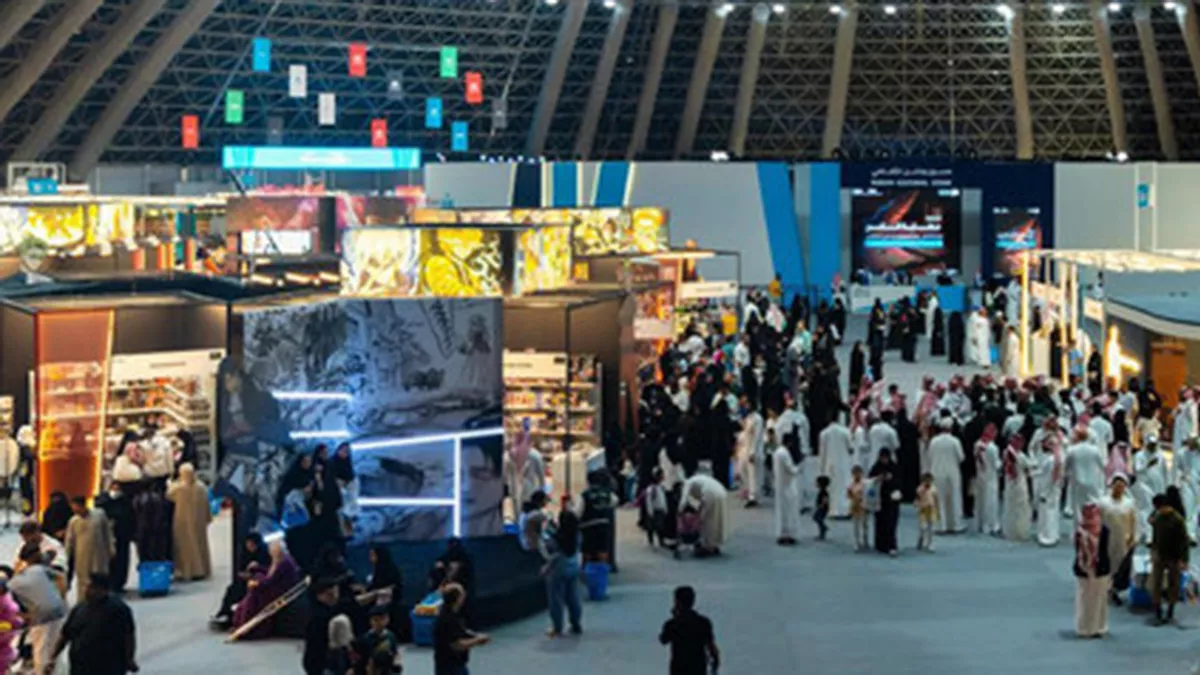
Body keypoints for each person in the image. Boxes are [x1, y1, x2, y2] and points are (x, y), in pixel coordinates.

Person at [46, 573, 136, 675]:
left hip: (109, 666)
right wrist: (52, 657)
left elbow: (128, 635)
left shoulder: (118, 609)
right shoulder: (79, 608)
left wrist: (129, 659)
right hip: (80, 666)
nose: (86, 590)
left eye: (91, 587)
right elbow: (65, 635)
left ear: (103, 590)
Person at [11, 544, 66, 674]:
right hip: (59, 610)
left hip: (41, 616)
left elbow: (13, 609)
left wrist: (27, 616)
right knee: (54, 649)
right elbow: (60, 577)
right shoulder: (39, 569)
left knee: (41, 652)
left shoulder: (12, 584)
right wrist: (59, 596)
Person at [232, 540, 302, 640]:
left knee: (254, 594)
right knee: (252, 591)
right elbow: (270, 575)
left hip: (279, 591)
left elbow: (270, 580)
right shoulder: (280, 560)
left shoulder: (283, 563)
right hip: (276, 587)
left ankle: (249, 627)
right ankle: (241, 623)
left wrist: (256, 582)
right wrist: (258, 570)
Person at [211, 533, 270, 628]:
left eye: (252, 545)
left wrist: (258, 567)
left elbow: (267, 571)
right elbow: (240, 569)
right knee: (232, 589)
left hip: (258, 581)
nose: (249, 547)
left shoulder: (264, 553)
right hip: (245, 580)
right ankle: (225, 613)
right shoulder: (244, 553)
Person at [166, 463, 213, 581]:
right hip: (199, 522)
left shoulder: (179, 488)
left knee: (184, 548)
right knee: (200, 544)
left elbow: (168, 495)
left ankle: (186, 571)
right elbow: (207, 505)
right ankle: (202, 569)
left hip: (182, 522)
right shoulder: (201, 487)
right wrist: (208, 517)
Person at [659, 585, 719, 675]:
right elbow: (710, 645)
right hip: (698, 667)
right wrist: (715, 661)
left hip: (679, 668)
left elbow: (663, 640)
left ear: (677, 601)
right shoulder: (703, 622)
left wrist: (676, 618)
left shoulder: (672, 624)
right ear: (693, 601)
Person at [64, 496, 114, 601]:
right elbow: (69, 542)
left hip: (100, 554)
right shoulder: (73, 521)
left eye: (76, 507)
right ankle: (83, 602)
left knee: (101, 578)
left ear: (83, 505)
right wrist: (66, 557)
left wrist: (111, 548)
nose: (75, 510)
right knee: (83, 581)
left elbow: (107, 532)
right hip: (82, 556)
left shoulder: (99, 515)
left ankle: (103, 600)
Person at [1149, 494, 1189, 626]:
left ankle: (1170, 610)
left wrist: (1184, 560)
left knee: (1174, 585)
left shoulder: (1178, 520)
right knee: (1156, 584)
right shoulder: (1158, 517)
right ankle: (1158, 610)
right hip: (1159, 556)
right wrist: (1153, 552)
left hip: (1174, 557)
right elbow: (1155, 536)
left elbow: (1184, 541)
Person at [1074, 503, 1111, 638]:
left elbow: (1106, 550)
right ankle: (1084, 628)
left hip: (1100, 569)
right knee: (1085, 599)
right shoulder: (1080, 531)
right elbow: (1077, 551)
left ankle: (1099, 627)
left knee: (1100, 599)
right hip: (1084, 569)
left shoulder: (1104, 530)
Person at [543, 509, 582, 637]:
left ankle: (557, 627)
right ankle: (576, 623)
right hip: (574, 566)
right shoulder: (577, 535)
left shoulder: (557, 536)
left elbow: (552, 552)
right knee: (573, 597)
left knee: (556, 599)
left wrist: (546, 567)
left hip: (558, 569)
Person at [434, 583, 488, 675]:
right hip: (451, 667)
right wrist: (477, 640)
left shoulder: (452, 614)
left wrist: (473, 635)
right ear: (457, 598)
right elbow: (457, 645)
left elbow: (461, 631)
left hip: (454, 665)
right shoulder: (448, 619)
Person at [1099, 474, 1137, 605]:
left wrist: (1133, 537)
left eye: (1122, 485)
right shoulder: (1103, 502)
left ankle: (1115, 589)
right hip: (1107, 539)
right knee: (1107, 563)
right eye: (1116, 485)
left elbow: (1133, 521)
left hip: (1123, 539)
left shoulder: (1129, 504)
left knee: (1121, 565)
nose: (1119, 488)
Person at [93, 483, 135, 594]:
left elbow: (130, 517)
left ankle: (119, 583)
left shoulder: (125, 501)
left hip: (122, 536)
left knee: (121, 560)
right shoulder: (102, 501)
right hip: (107, 537)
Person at [927, 418, 965, 534]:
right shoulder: (955, 441)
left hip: (937, 472)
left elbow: (929, 456)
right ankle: (955, 524)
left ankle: (939, 525)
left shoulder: (934, 441)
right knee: (954, 498)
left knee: (939, 499)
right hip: (952, 472)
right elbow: (961, 457)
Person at [679, 472, 729, 557]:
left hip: (710, 494)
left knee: (706, 521)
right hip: (721, 492)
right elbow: (701, 501)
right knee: (717, 518)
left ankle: (707, 546)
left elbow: (684, 500)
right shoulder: (698, 478)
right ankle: (714, 544)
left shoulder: (687, 484)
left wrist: (679, 513)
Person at [1065, 425, 1107, 522]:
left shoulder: (1072, 450)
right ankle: (1094, 525)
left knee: (1077, 506)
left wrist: (1065, 476)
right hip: (1093, 480)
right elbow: (1103, 465)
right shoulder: (1095, 450)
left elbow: (1066, 467)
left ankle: (1079, 529)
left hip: (1077, 481)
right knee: (1094, 503)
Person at [303, 577, 343, 675]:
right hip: (319, 661)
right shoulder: (319, 616)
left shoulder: (328, 609)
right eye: (330, 595)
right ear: (319, 596)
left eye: (336, 593)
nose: (335, 597)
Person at [366, 545, 405, 642]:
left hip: (389, 600)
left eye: (373, 555)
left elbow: (394, 586)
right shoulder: (377, 569)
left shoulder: (390, 569)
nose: (370, 558)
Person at [818, 414, 854, 518]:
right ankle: (845, 510)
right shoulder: (845, 431)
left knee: (832, 488)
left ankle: (833, 510)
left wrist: (821, 469)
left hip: (830, 465)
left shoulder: (824, 433)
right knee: (844, 486)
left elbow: (822, 452)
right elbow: (851, 448)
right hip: (843, 464)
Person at [771, 429, 802, 545]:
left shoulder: (777, 452)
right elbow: (792, 470)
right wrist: (800, 467)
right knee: (790, 511)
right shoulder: (785, 454)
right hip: (788, 485)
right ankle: (789, 534)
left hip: (779, 484)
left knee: (781, 511)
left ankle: (781, 533)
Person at [1132, 434, 1168, 537]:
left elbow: (1164, 472)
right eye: (1150, 444)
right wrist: (1148, 464)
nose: (1152, 447)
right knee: (1146, 508)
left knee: (1157, 510)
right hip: (1144, 486)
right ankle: (1148, 534)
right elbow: (1138, 470)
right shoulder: (1139, 455)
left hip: (1158, 486)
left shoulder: (1160, 456)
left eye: (1154, 444)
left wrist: (1165, 487)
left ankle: (1156, 533)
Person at [1032, 433, 1064, 547]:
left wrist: (1048, 489)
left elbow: (1053, 475)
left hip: (1048, 487)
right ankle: (1052, 534)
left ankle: (1047, 536)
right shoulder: (1055, 457)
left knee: (1047, 511)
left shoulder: (1052, 459)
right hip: (1052, 487)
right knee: (1052, 510)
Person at [869, 449, 901, 556]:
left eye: (885, 458)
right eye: (882, 458)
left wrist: (891, 480)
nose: (884, 460)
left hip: (892, 499)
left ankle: (892, 545)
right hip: (880, 499)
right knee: (880, 522)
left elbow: (900, 481)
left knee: (891, 523)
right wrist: (878, 479)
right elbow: (869, 481)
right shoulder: (876, 467)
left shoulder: (894, 467)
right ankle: (880, 544)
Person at [1002, 434, 1033, 541]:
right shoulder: (1021, 456)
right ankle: (1020, 531)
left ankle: (1010, 530)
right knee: (1021, 507)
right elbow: (1028, 470)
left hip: (1009, 483)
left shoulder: (1006, 452)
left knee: (1010, 506)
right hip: (1020, 482)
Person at [848, 465, 869, 551]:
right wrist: (852, 495)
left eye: (858, 473)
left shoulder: (865, 484)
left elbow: (869, 494)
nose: (857, 475)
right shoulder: (851, 485)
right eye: (855, 473)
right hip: (855, 506)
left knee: (865, 525)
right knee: (856, 526)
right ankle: (856, 542)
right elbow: (849, 495)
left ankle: (865, 541)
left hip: (864, 506)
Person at [916, 473, 939, 551]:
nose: (928, 482)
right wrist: (917, 504)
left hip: (932, 509)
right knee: (923, 527)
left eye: (929, 480)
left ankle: (930, 543)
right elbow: (918, 498)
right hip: (923, 510)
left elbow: (936, 499)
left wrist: (937, 510)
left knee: (931, 528)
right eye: (926, 480)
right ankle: (921, 538)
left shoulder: (934, 489)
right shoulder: (920, 489)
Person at [813, 475, 830, 540]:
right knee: (816, 518)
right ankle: (823, 528)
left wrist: (821, 506)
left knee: (818, 518)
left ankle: (823, 530)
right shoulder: (821, 491)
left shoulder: (824, 492)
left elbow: (825, 500)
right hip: (821, 508)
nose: (816, 484)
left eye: (817, 483)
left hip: (822, 508)